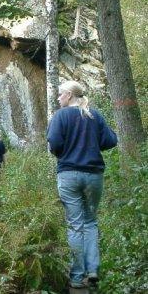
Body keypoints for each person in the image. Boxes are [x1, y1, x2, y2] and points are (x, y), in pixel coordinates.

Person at [47, 80, 117, 289]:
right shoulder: (94, 115)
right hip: (94, 176)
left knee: (75, 225)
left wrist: (65, 152)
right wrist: (91, 146)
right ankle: (93, 270)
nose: (58, 98)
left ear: (69, 95)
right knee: (90, 222)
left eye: (60, 94)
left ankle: (77, 277)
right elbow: (111, 140)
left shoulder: (60, 116)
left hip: (68, 175)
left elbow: (54, 144)